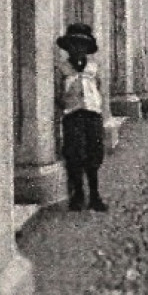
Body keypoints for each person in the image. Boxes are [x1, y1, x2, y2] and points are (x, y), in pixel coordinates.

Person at [56, 23, 108, 213]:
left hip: (92, 114)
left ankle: (94, 194)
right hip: (73, 115)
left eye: (82, 46)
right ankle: (77, 194)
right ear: (68, 48)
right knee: (75, 153)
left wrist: (96, 106)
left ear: (87, 49)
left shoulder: (93, 68)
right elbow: (58, 93)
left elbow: (99, 88)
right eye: (74, 45)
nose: (78, 49)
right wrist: (66, 104)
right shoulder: (63, 69)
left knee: (94, 152)